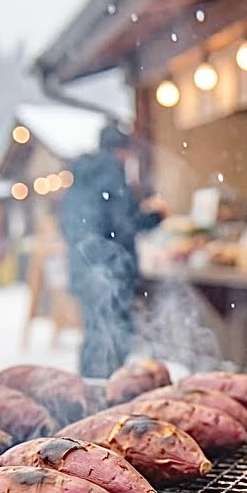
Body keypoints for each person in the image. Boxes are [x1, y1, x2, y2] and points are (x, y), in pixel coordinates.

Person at [60, 123, 163, 378]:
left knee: (96, 333)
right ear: (123, 151)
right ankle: (108, 393)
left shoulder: (82, 176)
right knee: (114, 336)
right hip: (108, 272)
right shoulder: (111, 174)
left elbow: (71, 225)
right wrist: (154, 217)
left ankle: (90, 390)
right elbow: (122, 228)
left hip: (86, 270)